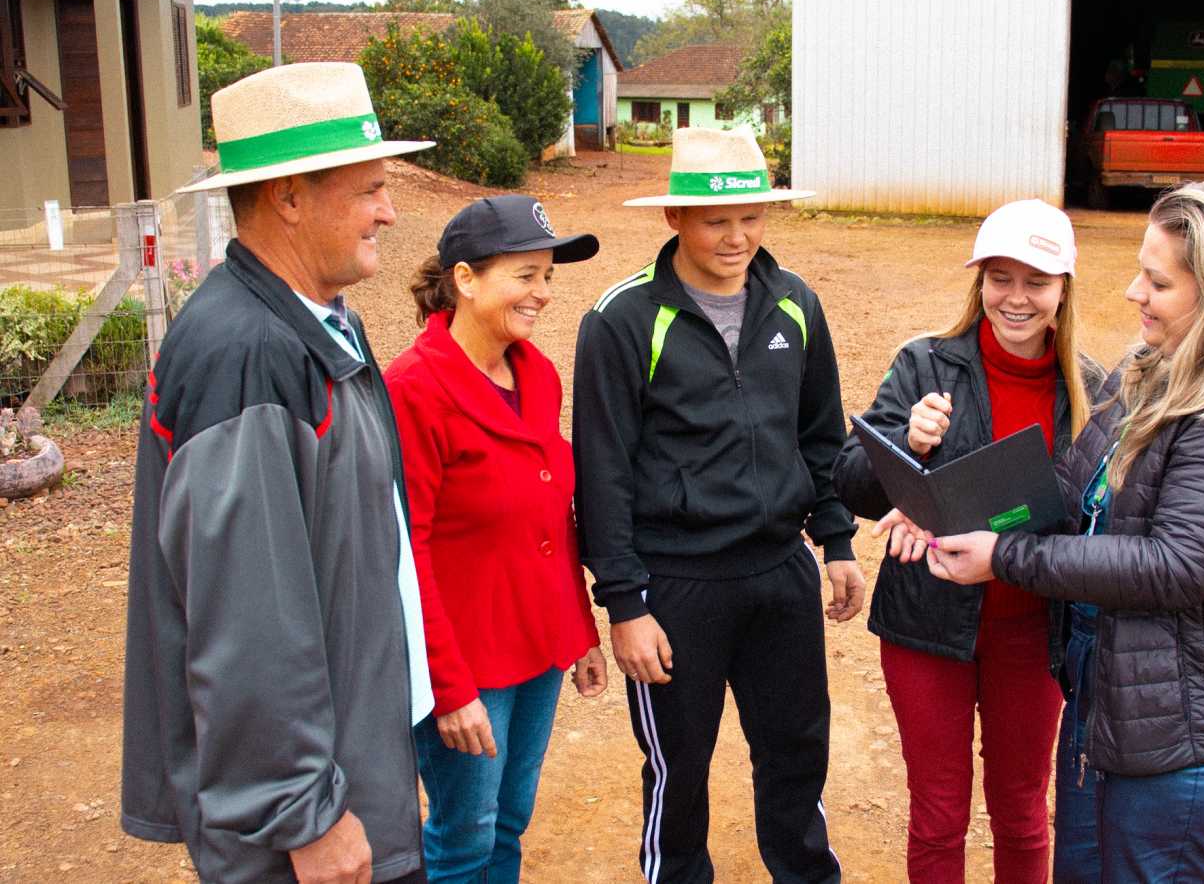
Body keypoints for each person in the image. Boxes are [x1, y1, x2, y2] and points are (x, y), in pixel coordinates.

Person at [891, 177, 1204, 883]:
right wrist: (937, 505)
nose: (1133, 293)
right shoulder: (1151, 372)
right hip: (1116, 702)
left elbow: (1175, 566)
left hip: (1188, 729)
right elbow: (1064, 495)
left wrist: (1006, 556)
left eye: (1159, 282)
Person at [121, 62, 437, 883]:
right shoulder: (247, 354)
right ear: (290, 198)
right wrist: (305, 813)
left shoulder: (311, 323)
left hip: (345, 769)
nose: (389, 211)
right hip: (301, 828)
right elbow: (247, 620)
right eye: (370, 190)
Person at [572, 126, 865, 884]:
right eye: (716, 221)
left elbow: (820, 434)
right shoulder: (621, 319)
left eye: (751, 217)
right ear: (675, 218)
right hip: (677, 586)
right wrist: (624, 604)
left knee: (796, 753)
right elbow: (602, 470)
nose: (737, 238)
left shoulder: (795, 302)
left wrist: (835, 541)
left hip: (780, 573)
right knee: (680, 768)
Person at [832, 199, 1102, 883]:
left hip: (1034, 632)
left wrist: (998, 533)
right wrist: (909, 444)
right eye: (999, 278)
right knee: (938, 814)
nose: (1016, 298)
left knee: (1021, 812)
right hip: (927, 628)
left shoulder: (1093, 391)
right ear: (979, 280)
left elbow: (1095, 519)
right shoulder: (925, 364)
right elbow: (852, 481)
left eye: (1036, 281)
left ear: (1064, 288)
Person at [385, 195, 608, 882]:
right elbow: (406, 553)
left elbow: (553, 517)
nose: (543, 292)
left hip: (537, 645)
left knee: (510, 819)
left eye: (548, 276)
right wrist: (448, 688)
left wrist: (579, 630)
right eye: (525, 275)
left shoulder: (535, 372)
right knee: (464, 837)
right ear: (466, 279)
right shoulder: (413, 388)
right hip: (467, 660)